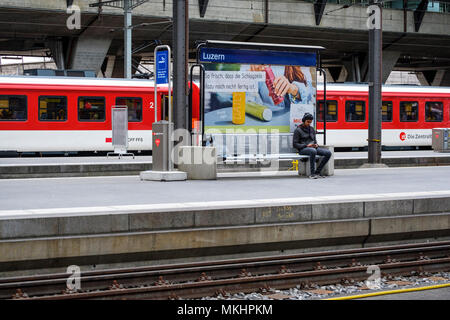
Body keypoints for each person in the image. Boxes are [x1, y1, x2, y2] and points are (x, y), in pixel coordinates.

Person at [293, 113, 332, 179]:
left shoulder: (311, 129)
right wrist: (306, 145)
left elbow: (314, 141)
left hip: (313, 148)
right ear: (304, 120)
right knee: (313, 151)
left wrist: (316, 145)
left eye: (310, 122)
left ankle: (317, 172)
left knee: (328, 153)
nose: (309, 123)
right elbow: (295, 144)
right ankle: (312, 174)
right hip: (303, 149)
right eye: (307, 122)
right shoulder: (298, 130)